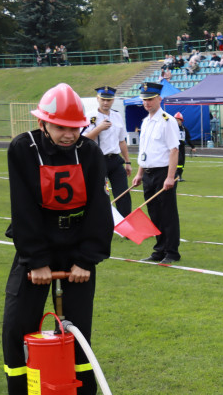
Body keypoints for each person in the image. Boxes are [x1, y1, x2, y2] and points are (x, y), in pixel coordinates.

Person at [2, 83, 113, 395]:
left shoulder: (90, 153)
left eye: (74, 127)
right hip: (37, 245)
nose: (68, 134)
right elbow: (22, 206)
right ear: (43, 124)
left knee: (76, 331)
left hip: (78, 245)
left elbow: (98, 207)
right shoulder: (23, 149)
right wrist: (35, 261)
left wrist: (87, 259)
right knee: (19, 324)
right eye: (60, 127)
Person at [131, 81, 181, 264]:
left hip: (162, 173)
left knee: (168, 214)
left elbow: (174, 150)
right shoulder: (145, 122)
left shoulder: (168, 121)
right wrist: (139, 173)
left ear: (159, 98)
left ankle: (172, 252)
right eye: (144, 100)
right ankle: (159, 250)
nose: (147, 103)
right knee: (154, 215)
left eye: (150, 99)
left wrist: (170, 177)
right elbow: (144, 150)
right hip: (148, 174)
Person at [81, 85, 132, 217]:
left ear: (113, 100)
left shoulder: (117, 116)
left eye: (108, 100)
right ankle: (100, 222)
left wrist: (128, 162)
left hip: (115, 159)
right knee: (100, 194)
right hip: (98, 159)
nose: (105, 102)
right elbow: (82, 139)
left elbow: (122, 141)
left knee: (123, 193)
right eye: (103, 99)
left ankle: (125, 224)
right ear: (97, 99)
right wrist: (98, 128)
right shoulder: (91, 116)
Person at [174, 112, 193, 181]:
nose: (177, 121)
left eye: (178, 120)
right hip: (175, 147)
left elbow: (188, 139)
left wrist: (192, 147)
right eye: (175, 120)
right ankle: (176, 175)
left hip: (182, 147)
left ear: (181, 121)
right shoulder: (172, 129)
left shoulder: (184, 129)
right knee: (179, 160)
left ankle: (179, 175)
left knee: (182, 162)